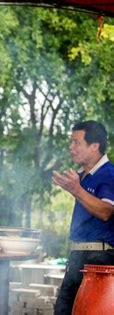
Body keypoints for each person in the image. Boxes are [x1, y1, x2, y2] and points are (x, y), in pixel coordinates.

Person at [53, 120, 114, 314]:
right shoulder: (83, 175)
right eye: (70, 142)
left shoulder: (109, 174)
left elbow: (106, 211)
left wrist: (77, 190)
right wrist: (77, 188)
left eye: (76, 142)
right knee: (63, 310)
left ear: (94, 146)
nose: (71, 147)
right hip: (78, 257)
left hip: (100, 261)